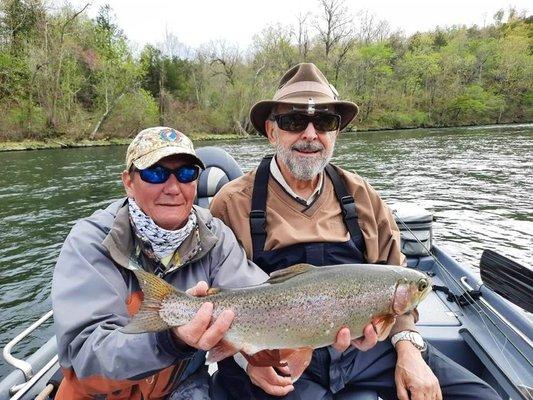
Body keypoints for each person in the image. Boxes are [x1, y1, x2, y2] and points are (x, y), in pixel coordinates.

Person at [209, 63, 501, 400]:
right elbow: (223, 303)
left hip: (366, 352)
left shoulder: (363, 196)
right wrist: (252, 361)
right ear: (272, 131)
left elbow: (400, 293)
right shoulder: (231, 203)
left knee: (481, 396)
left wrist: (408, 350)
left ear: (336, 132)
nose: (309, 134)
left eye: (324, 122)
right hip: (276, 351)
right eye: (293, 121)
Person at [52, 126, 269, 399]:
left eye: (186, 173)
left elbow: (262, 300)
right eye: (155, 173)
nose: (173, 188)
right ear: (128, 182)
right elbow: (85, 357)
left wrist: (262, 359)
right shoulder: (92, 242)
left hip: (182, 386)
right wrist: (170, 340)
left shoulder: (215, 236)